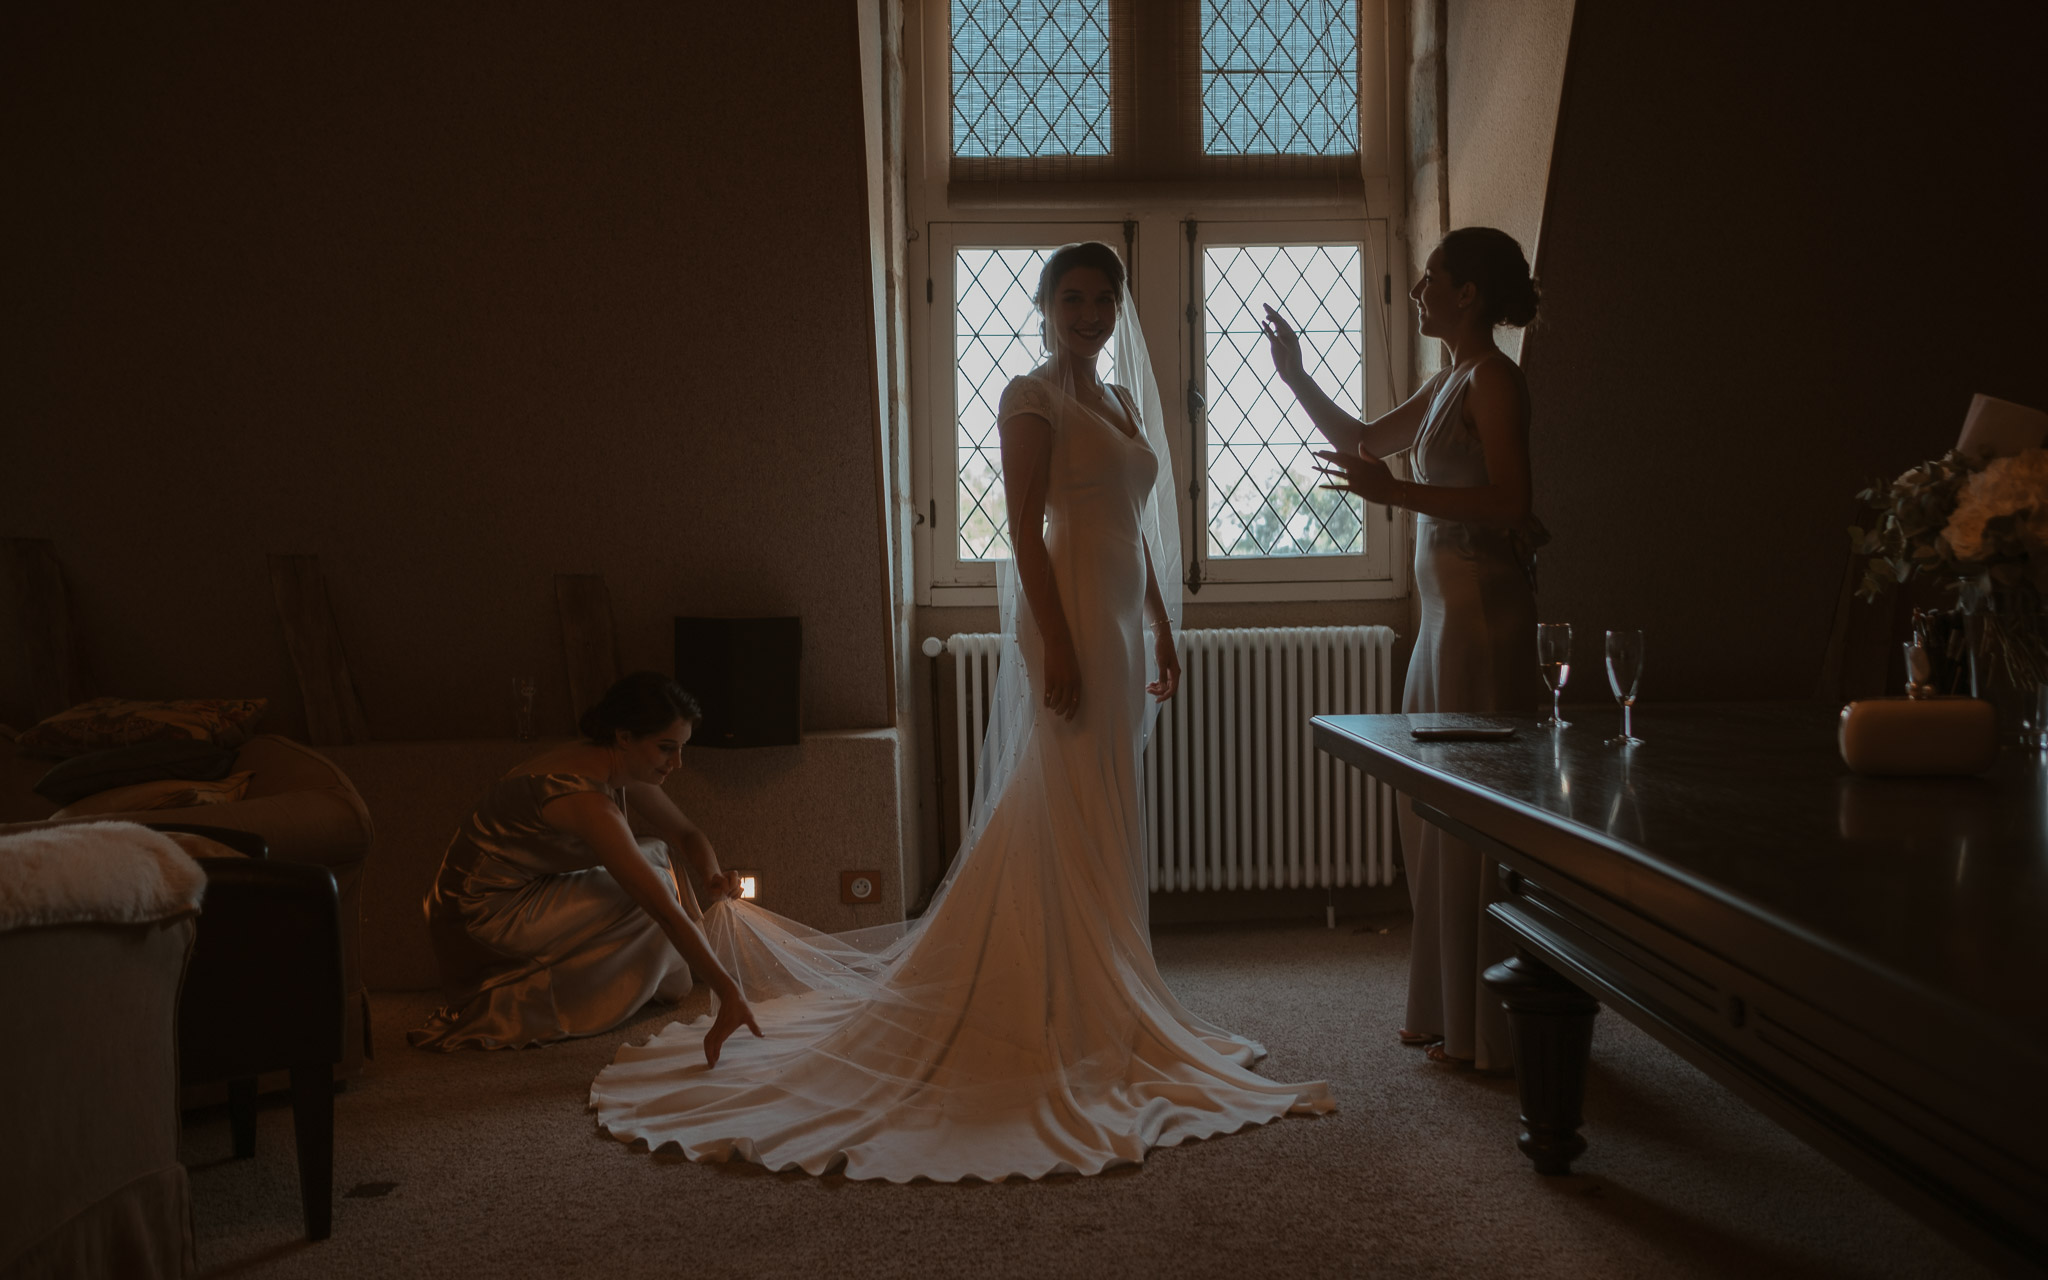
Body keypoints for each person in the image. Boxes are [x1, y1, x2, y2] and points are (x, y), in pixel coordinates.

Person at [589, 241, 1333, 1181]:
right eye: (1074, 297)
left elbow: (1134, 528)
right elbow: (1026, 526)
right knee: (1061, 790)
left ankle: (1101, 980)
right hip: (1064, 615)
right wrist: (1057, 639)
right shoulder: (1033, 396)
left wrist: (1160, 625)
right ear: (1047, 302)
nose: (1091, 314)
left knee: (1094, 799)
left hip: (1118, 623)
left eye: (1104, 299)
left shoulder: (1122, 401)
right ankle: (1051, 993)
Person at [1265, 226, 1544, 1071]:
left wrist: (1397, 495)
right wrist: (1295, 375)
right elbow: (1362, 441)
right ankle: (1447, 1011)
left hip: (1483, 619)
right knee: (1430, 814)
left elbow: (1512, 501)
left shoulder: (1496, 379)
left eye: (1432, 280)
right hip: (1440, 622)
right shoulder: (1446, 380)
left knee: (1475, 814)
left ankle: (1490, 1024)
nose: (1419, 292)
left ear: (1469, 294)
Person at [410, 672, 761, 1059]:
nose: (677, 763)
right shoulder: (584, 798)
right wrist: (729, 992)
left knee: (657, 855)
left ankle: (654, 972)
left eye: (681, 748)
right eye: (666, 749)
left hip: (516, 889)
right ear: (625, 737)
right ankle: (565, 992)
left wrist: (711, 874)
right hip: (480, 913)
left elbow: (687, 833)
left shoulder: (618, 761)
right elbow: (662, 910)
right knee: (657, 884)